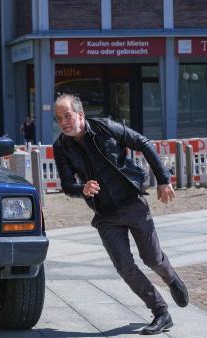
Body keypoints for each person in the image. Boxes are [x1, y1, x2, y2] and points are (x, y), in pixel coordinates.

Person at [52, 94, 188, 335]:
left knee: (153, 259)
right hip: (105, 214)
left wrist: (164, 180)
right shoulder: (61, 147)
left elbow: (143, 143)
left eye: (67, 116)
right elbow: (66, 184)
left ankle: (171, 277)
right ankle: (160, 311)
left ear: (80, 115)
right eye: (58, 118)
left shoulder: (105, 127)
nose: (63, 122)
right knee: (124, 266)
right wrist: (81, 189)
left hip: (132, 202)